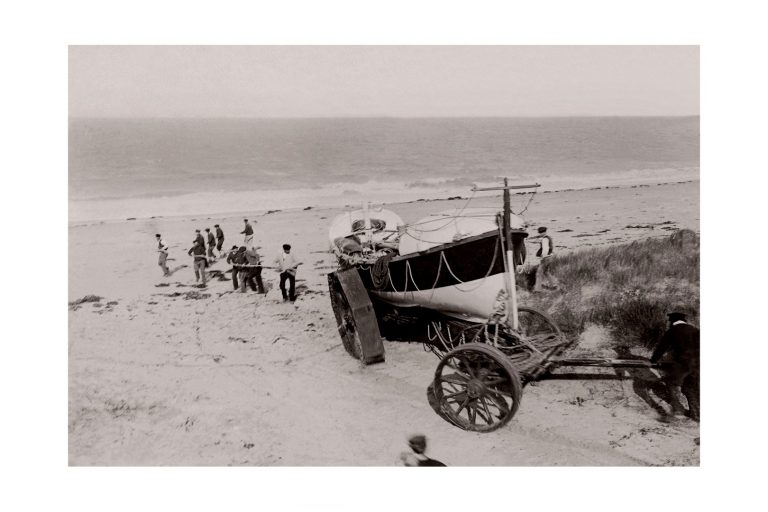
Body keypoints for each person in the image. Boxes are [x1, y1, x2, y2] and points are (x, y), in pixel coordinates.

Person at [650, 312, 700, 421]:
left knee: (672, 384)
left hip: (682, 363)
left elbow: (661, 347)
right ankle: (696, 414)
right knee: (691, 388)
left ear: (672, 322)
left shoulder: (672, 331)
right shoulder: (695, 330)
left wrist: (653, 360)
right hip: (697, 364)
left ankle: (677, 411)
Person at [533, 226, 553, 292]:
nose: (540, 234)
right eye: (540, 233)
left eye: (541, 233)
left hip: (546, 258)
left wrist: (542, 257)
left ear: (543, 232)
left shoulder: (544, 239)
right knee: (546, 272)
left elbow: (545, 249)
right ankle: (553, 285)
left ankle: (538, 290)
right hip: (550, 257)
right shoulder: (549, 238)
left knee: (539, 273)